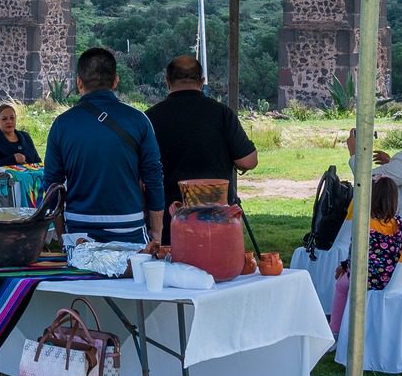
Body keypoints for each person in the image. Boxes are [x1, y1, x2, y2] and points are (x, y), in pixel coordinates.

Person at [43, 46, 165, 247]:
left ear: (79, 82)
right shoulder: (139, 120)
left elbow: (52, 185)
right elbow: (153, 177)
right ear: (116, 80)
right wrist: (157, 233)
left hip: (79, 228)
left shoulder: (61, 125)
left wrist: (62, 234)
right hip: (129, 226)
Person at [146, 54, 257, 238]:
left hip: (171, 218)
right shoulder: (221, 113)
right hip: (217, 218)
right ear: (202, 81)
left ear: (167, 81)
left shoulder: (150, 118)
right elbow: (248, 161)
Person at [330, 176, 402, 338]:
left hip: (366, 277)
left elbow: (354, 254)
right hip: (391, 277)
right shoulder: (398, 222)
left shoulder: (364, 223)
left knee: (341, 286)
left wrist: (344, 266)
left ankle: (335, 331)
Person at [0, 103, 40, 167]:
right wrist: (13, 159)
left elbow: (38, 162)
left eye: (12, 118)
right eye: (4, 119)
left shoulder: (26, 137)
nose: (9, 121)